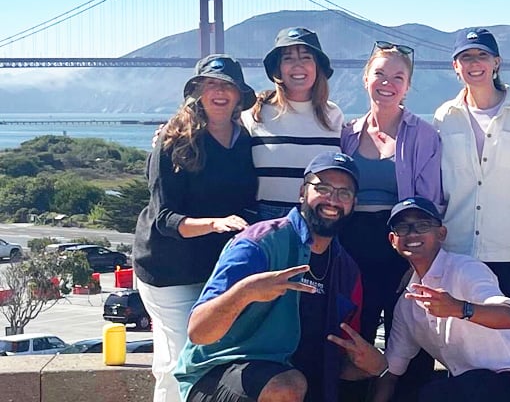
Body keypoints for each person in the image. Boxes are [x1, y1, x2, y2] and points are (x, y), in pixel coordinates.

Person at [174, 152, 386, 402]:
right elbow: (199, 332)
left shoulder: (347, 272)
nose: (333, 200)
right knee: (286, 386)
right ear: (302, 192)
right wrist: (244, 293)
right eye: (323, 188)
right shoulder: (258, 244)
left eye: (344, 193)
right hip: (218, 377)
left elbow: (339, 363)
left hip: (293, 383)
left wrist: (377, 366)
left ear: (353, 204)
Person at [133, 54, 258, 402]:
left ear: (238, 96)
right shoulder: (173, 140)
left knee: (178, 358)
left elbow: (248, 198)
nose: (219, 92)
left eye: (227, 86)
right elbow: (164, 220)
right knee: (181, 361)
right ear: (198, 92)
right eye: (211, 85)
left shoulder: (244, 140)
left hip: (213, 267)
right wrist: (216, 224)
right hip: (167, 269)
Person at [351, 197, 510, 402]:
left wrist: (459, 308)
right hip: (466, 389)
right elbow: (390, 373)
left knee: (435, 395)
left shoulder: (466, 269)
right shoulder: (406, 306)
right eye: (403, 227)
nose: (412, 233)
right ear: (393, 240)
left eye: (423, 225)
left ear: (441, 234)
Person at [433, 28, 510, 340]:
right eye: (466, 56)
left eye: (482, 55)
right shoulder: (443, 116)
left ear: (497, 62)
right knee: (461, 343)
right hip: (458, 249)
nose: (474, 62)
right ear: (455, 66)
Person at [340, 40, 443, 345]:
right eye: (380, 74)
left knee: (410, 334)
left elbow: (429, 203)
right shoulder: (346, 133)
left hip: (401, 243)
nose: (388, 83)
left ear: (408, 87)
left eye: (398, 77)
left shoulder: (424, 135)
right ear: (365, 79)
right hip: (351, 246)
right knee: (355, 332)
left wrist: (418, 259)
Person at [243, 27, 344, 220]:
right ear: (278, 68)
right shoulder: (255, 113)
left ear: (317, 67)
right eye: (288, 58)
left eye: (306, 57)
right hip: (265, 222)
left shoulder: (334, 115)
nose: (298, 65)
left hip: (318, 220)